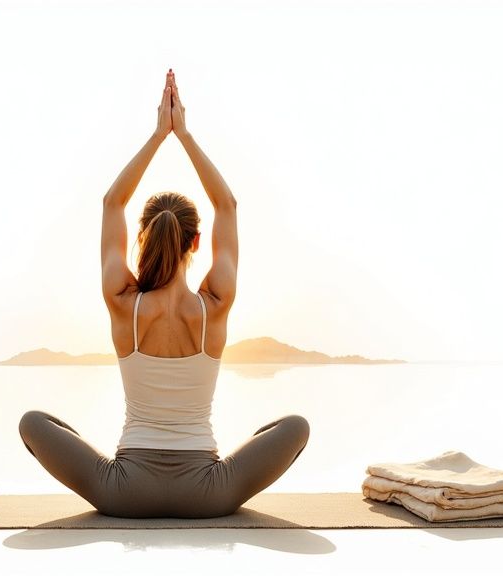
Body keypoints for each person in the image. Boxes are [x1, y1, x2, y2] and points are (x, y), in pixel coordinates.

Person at [18, 69, 309, 518]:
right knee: (295, 427)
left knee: (33, 423)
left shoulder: (123, 303)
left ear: (143, 237)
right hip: (209, 494)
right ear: (196, 242)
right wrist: (184, 136)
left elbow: (111, 203)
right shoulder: (214, 304)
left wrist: (158, 136)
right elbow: (227, 206)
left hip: (125, 493)